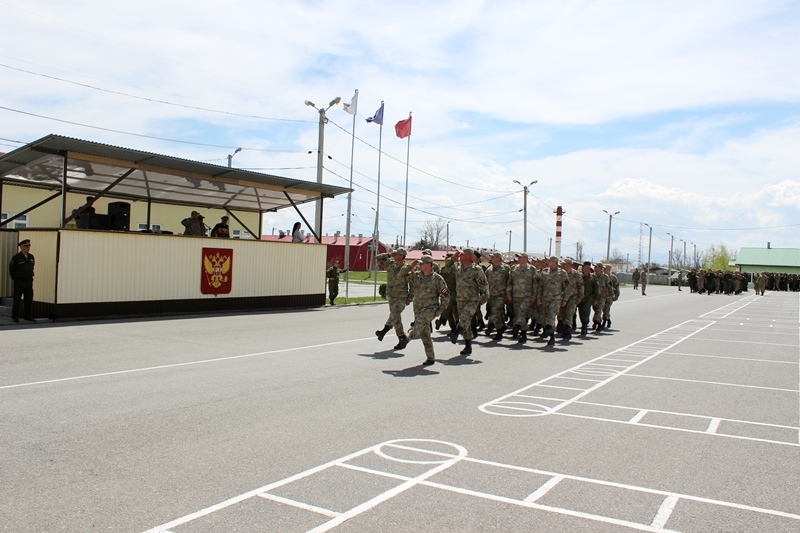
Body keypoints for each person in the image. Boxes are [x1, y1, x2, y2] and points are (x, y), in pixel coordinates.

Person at [404, 255, 448, 366]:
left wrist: (440, 309)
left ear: (429, 265)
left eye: (422, 263)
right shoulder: (416, 276)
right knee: (425, 333)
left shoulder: (438, 279)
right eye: (420, 263)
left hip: (431, 308)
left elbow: (445, 296)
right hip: (418, 308)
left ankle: (407, 337)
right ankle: (430, 357)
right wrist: (410, 266)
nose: (420, 265)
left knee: (419, 324)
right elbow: (402, 275)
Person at [449, 248, 488, 355]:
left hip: (472, 299)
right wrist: (454, 258)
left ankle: (456, 331)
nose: (460, 256)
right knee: (465, 323)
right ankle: (468, 346)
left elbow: (483, 284)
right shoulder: (458, 267)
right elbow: (448, 266)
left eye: (462, 255)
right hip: (460, 299)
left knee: (465, 318)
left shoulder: (476, 269)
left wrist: (484, 297)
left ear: (468, 256)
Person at [374, 248, 412, 349]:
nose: (395, 255)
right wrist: (389, 254)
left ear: (402, 256)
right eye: (395, 254)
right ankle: (402, 338)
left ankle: (383, 331)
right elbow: (377, 258)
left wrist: (410, 298)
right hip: (391, 295)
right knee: (396, 318)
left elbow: (413, 284)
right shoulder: (391, 264)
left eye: (397, 254)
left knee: (394, 314)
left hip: (402, 296)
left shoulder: (407, 268)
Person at [537, 256, 568, 346]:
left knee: (551, 316)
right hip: (545, 298)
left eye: (549, 261)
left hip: (556, 298)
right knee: (544, 317)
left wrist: (565, 299)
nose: (548, 262)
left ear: (554, 262)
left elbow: (566, 287)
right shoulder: (544, 272)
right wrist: (539, 297)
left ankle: (549, 332)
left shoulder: (562, 273)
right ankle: (551, 335)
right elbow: (540, 286)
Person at [9, 239, 35, 323]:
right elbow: (11, 269)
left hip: (28, 281)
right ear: (21, 247)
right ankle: (15, 316)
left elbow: (31, 267)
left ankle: (27, 315)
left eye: (29, 246)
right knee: (17, 299)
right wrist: (16, 278)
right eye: (26, 246)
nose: (28, 248)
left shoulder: (31, 257)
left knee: (28, 299)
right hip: (19, 281)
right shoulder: (16, 257)